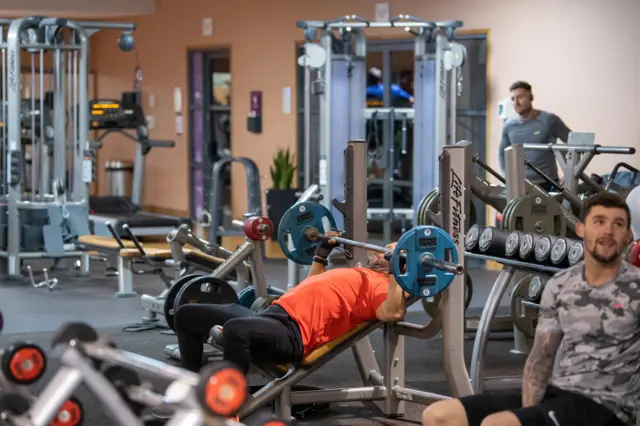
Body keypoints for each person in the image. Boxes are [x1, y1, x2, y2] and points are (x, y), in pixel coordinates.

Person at [422, 191, 640, 426]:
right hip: (560, 394)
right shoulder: (561, 284)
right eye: (599, 222)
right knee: (439, 416)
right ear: (580, 229)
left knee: (497, 424)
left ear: (628, 235)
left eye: (618, 224)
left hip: (607, 408)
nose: (608, 231)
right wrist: (530, 410)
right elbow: (541, 357)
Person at [173, 234, 406, 374]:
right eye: (383, 249)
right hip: (271, 314)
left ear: (400, 263)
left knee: (236, 329)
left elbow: (393, 313)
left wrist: (397, 274)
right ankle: (191, 384)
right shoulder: (359, 272)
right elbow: (311, 286)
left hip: (293, 333)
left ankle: (229, 406)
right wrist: (321, 255)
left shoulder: (383, 286)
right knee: (185, 313)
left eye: (388, 253)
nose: (379, 253)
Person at [498, 81, 572, 192]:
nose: (516, 102)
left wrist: (569, 174)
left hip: (547, 184)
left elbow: (574, 143)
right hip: (520, 185)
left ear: (531, 97)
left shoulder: (548, 120)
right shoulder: (509, 126)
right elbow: (501, 154)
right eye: (513, 99)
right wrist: (506, 177)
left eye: (520, 97)